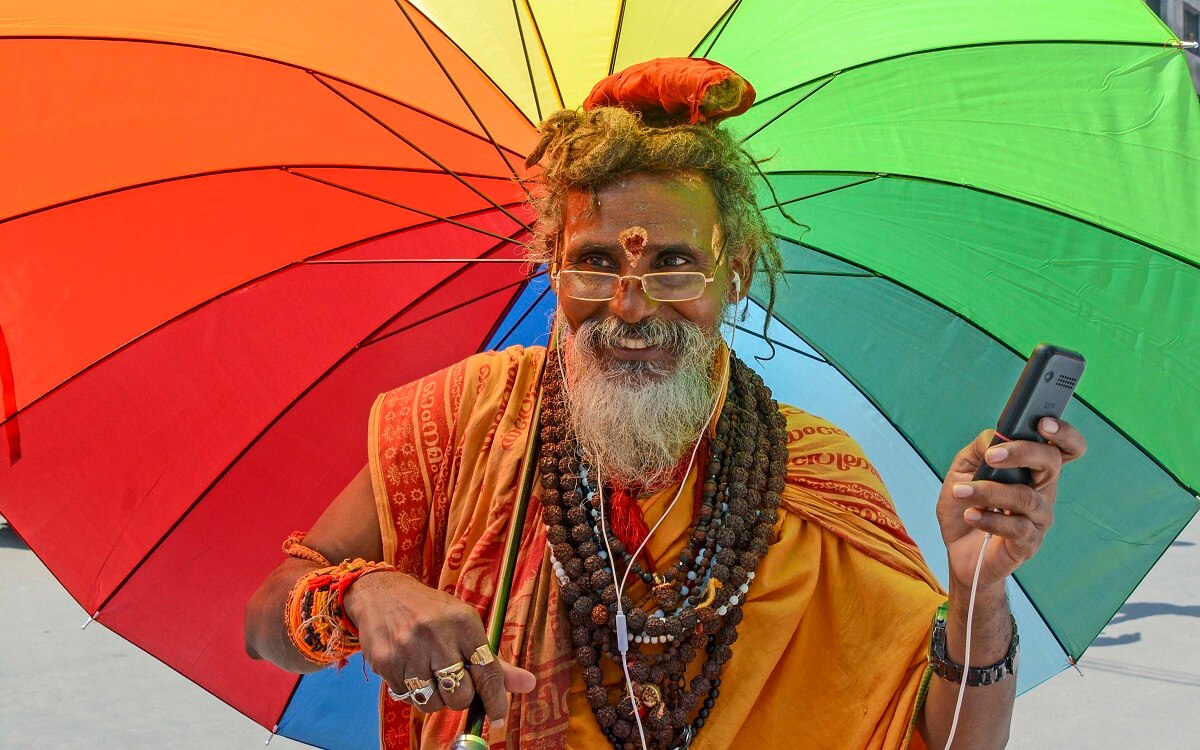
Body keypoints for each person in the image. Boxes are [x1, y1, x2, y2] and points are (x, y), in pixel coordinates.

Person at [244, 58, 1086, 750]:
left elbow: (943, 746)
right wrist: (361, 594)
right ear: (552, 268)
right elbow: (265, 623)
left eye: (675, 268)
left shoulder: (813, 474)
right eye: (597, 264)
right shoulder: (470, 419)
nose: (633, 308)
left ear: (736, 274)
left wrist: (978, 595)